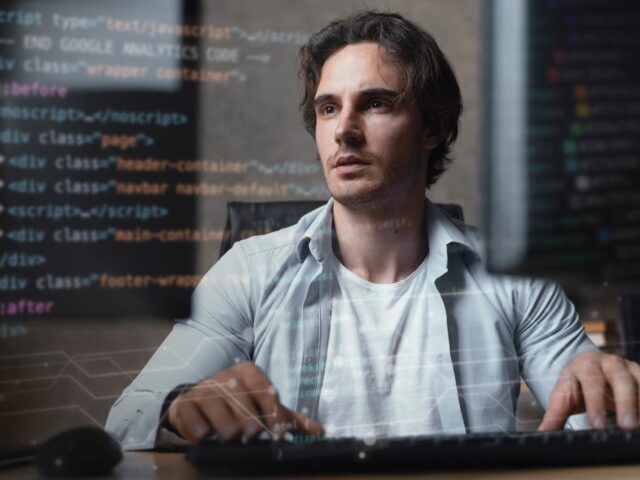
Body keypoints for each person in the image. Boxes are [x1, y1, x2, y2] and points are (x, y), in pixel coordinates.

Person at [106, 11, 640, 449]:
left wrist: (612, 393)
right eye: (328, 108)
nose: (344, 130)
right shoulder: (248, 272)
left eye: (376, 103)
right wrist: (179, 407)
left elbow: (589, 413)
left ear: (432, 127)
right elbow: (127, 418)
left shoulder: (515, 278)